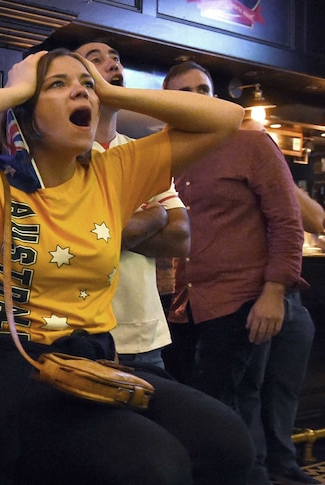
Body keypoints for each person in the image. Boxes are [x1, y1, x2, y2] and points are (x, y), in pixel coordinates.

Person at [0, 48, 254, 484]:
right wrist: (18, 87)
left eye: (86, 84)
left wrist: (110, 90)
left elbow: (226, 117)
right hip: (17, 371)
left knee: (227, 439)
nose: (81, 90)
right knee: (155, 467)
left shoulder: (113, 170)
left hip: (96, 361)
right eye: (58, 84)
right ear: (28, 115)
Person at [164, 61, 314, 485]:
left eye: (204, 89)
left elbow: (288, 221)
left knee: (228, 404)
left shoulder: (251, 142)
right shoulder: (168, 152)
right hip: (187, 303)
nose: (198, 98)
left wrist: (273, 293)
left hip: (242, 298)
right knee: (211, 407)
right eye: (185, 92)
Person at [74, 40, 189, 369]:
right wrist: (156, 215)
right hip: (86, 336)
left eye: (116, 58)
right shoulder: (63, 154)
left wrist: (123, 227)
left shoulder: (140, 151)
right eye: (95, 59)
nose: (113, 64)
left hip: (147, 337)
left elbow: (181, 237)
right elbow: (80, 239)